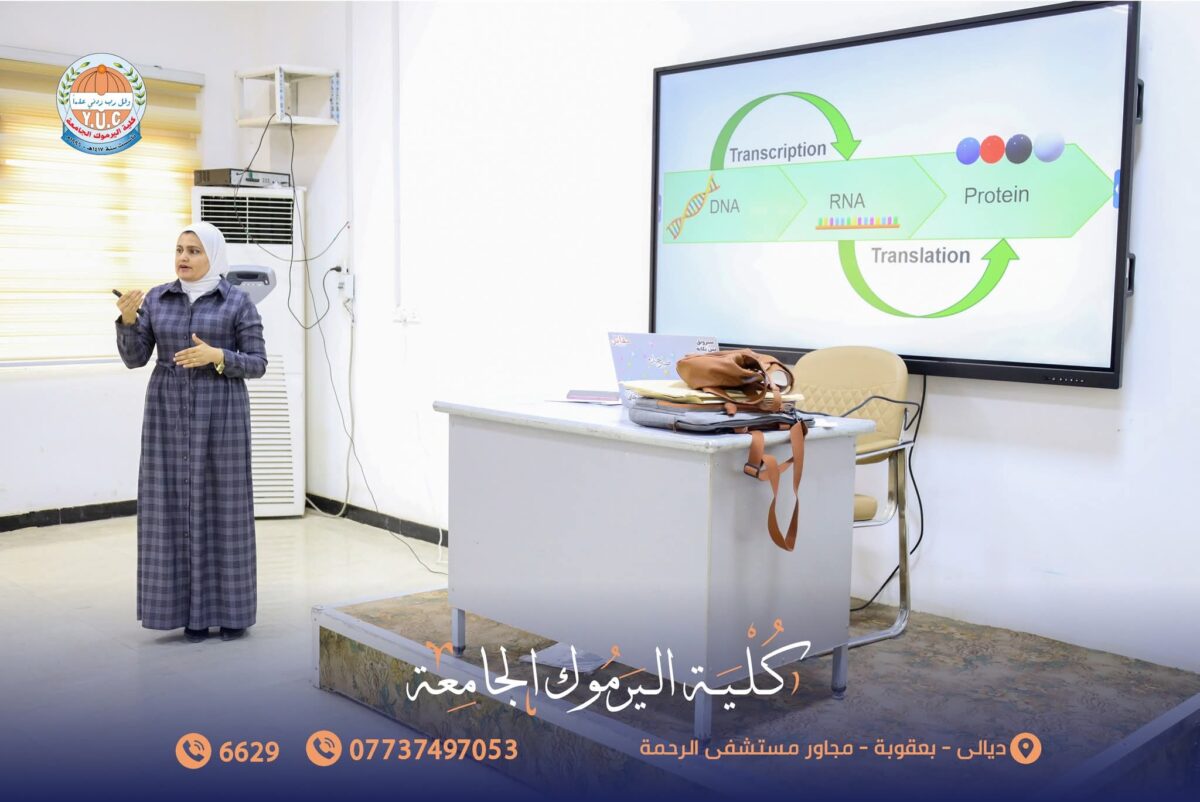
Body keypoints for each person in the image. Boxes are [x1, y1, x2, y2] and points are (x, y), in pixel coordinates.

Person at [115, 221, 267, 643]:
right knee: (169, 508)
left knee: (224, 510)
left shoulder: (237, 302)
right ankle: (187, 616)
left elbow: (257, 363)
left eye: (194, 251)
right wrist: (128, 319)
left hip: (222, 416)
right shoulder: (158, 299)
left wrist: (217, 355)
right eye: (180, 249)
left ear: (213, 256)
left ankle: (231, 613)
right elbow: (134, 358)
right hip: (167, 414)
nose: (183, 257)